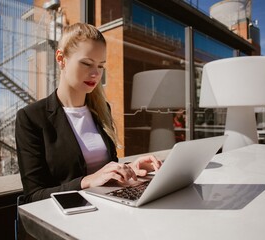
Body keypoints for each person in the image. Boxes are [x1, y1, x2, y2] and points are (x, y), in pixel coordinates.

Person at [15, 23, 162, 203]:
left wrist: (130, 168)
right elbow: (34, 196)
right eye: (86, 63)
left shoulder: (101, 110)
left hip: (108, 206)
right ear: (61, 59)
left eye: (101, 66)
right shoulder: (31, 118)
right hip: (69, 217)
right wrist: (87, 181)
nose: (95, 74)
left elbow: (105, 169)